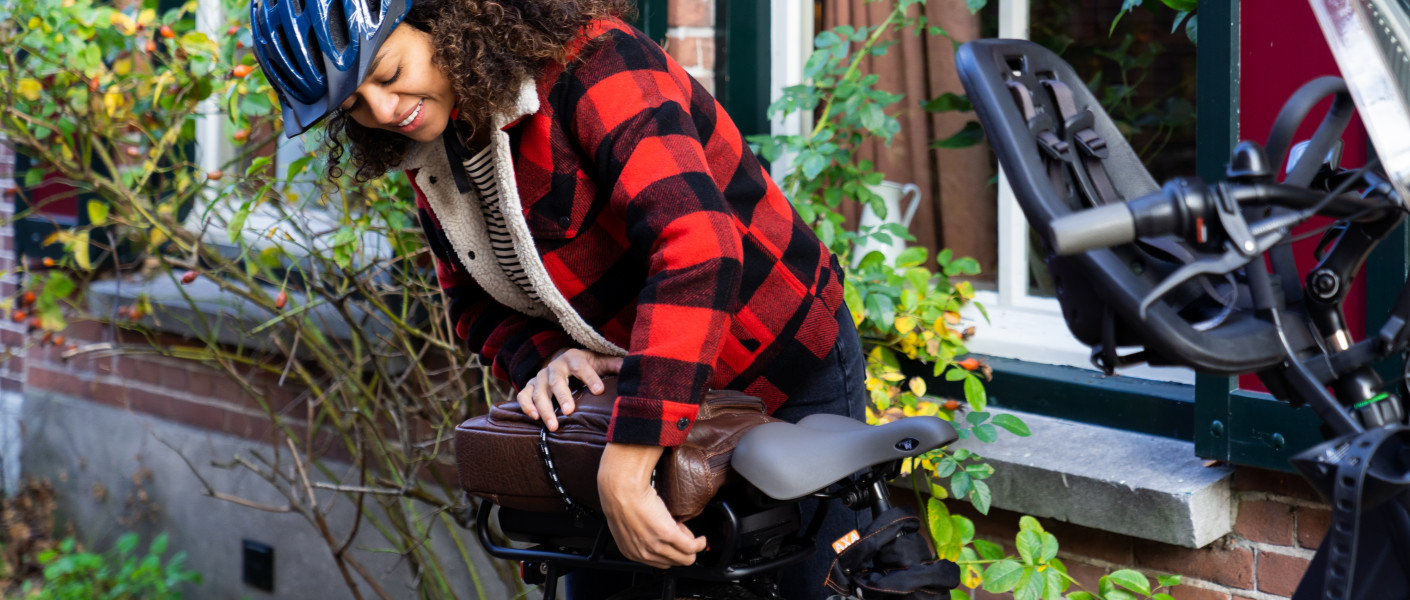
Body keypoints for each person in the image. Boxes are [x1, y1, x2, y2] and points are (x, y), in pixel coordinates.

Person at [250, 0, 868, 596]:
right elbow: (471, 301)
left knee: (817, 586)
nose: (385, 110)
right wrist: (546, 357)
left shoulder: (596, 66)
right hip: (636, 398)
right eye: (355, 105)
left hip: (777, 367)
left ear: (443, 20)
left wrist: (628, 461)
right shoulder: (435, 134)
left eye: (389, 74)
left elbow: (699, 248)